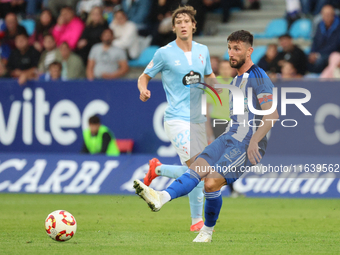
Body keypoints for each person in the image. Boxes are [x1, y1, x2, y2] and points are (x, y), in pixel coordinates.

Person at [134, 30, 279, 242]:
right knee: (196, 169)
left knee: (211, 183)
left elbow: (272, 115)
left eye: (237, 49)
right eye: (229, 48)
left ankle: (207, 231)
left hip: (247, 142)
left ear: (250, 51)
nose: (231, 53)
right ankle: (160, 198)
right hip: (230, 136)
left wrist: (255, 141)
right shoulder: (237, 78)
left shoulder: (259, 77)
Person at [138, 6, 218, 232]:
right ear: (173, 27)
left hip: (197, 120)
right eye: (179, 22)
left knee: (198, 174)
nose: (183, 25)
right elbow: (144, 76)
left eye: (187, 21)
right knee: (199, 169)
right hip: (176, 119)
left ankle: (159, 170)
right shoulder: (164, 52)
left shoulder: (203, 50)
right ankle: (196, 220)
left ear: (194, 25)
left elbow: (210, 76)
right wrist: (143, 89)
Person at [308, 5, 340, 73]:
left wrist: (318, 55)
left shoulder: (338, 26)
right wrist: (312, 53)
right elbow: (315, 41)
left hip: (333, 54)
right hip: (319, 54)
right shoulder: (320, 25)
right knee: (306, 58)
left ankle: (322, 80)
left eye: (329, 14)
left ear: (333, 15)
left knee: (320, 61)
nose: (327, 17)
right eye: (325, 14)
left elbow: (335, 45)